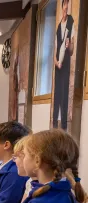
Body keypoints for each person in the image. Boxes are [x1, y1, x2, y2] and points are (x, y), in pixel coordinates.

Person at [53, 0, 75, 130]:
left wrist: (69, 46)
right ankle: (55, 124)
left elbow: (71, 50)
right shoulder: (58, 26)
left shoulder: (71, 22)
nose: (66, 7)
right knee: (57, 92)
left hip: (65, 62)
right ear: (62, 6)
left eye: (68, 5)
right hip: (58, 63)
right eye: (65, 4)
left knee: (64, 92)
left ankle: (64, 127)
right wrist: (55, 61)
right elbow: (56, 46)